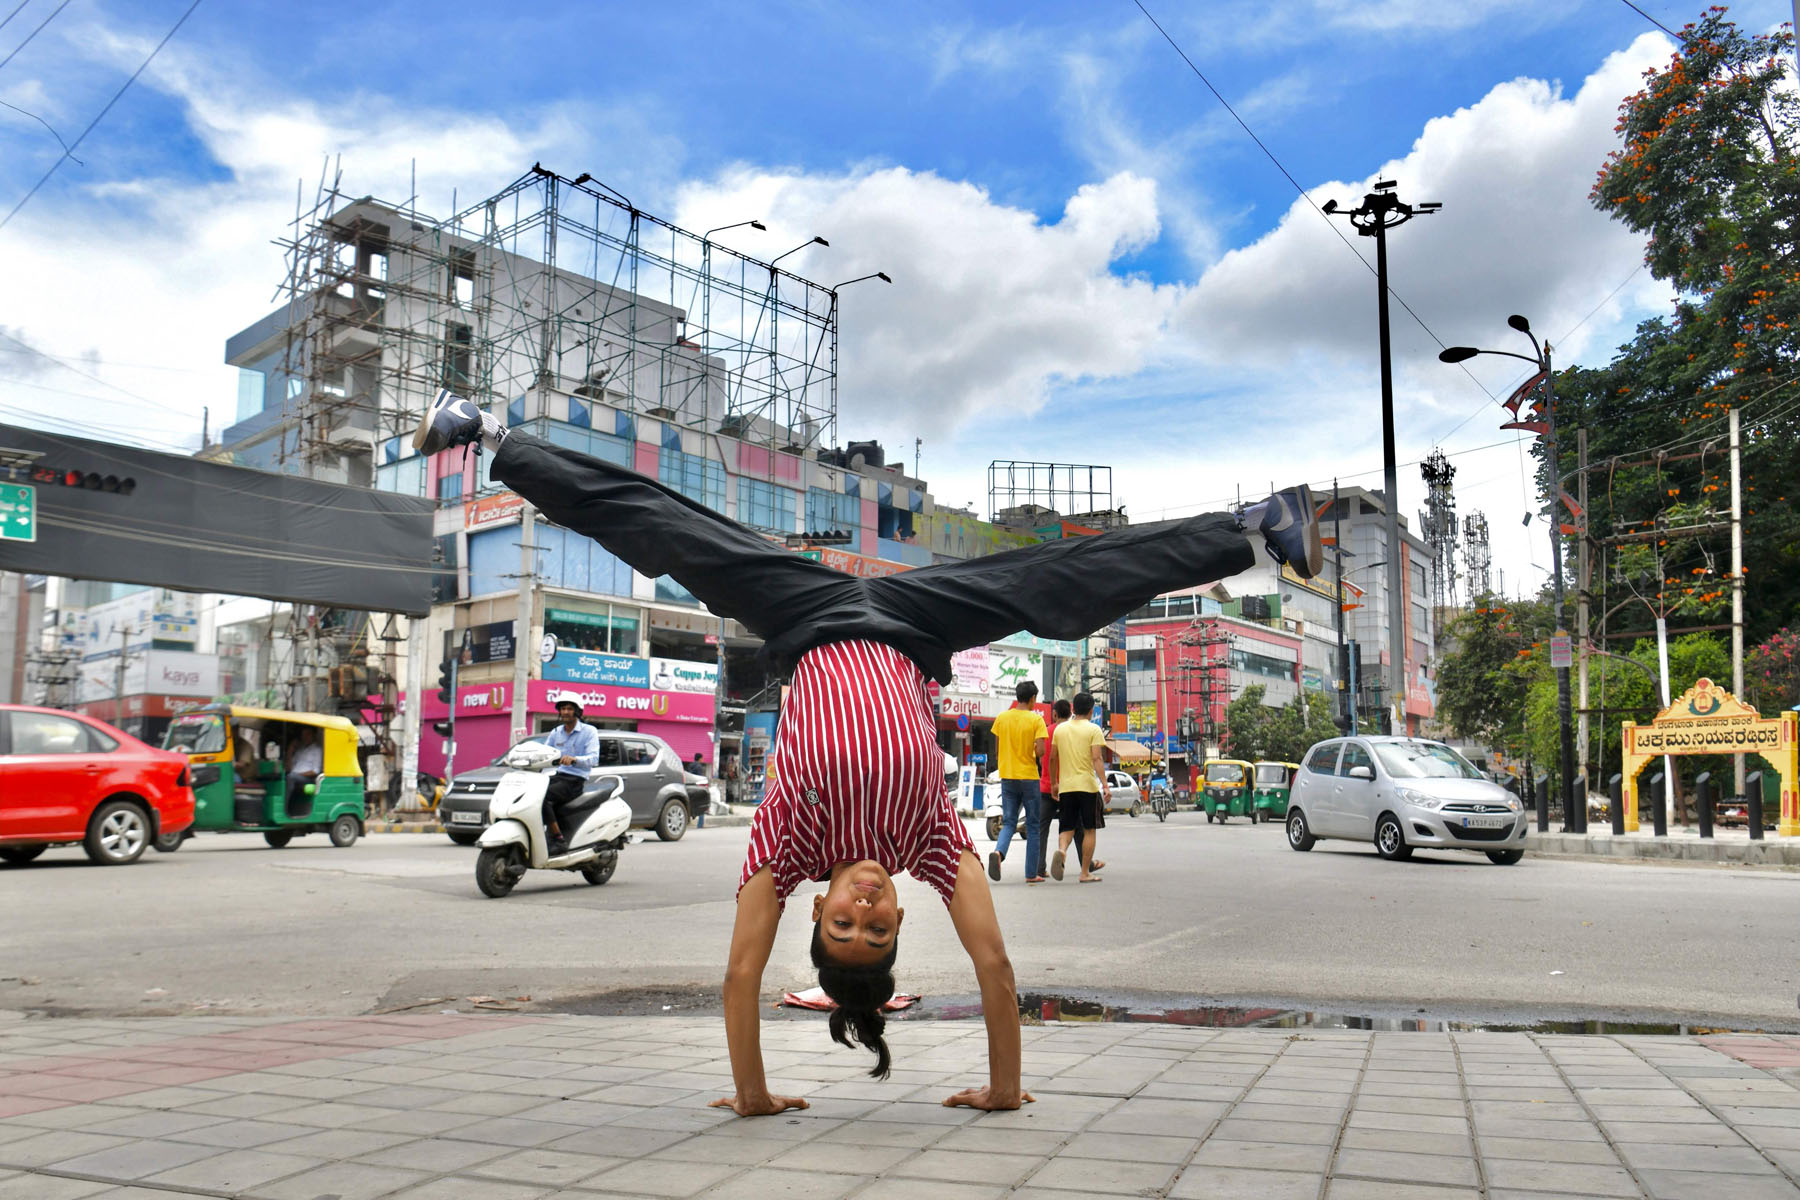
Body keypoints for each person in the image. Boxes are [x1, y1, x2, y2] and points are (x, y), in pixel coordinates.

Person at [413, 389, 1322, 1108]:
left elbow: (738, 979)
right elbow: (997, 970)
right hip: (908, 625)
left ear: (813, 916)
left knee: (668, 531)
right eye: (878, 926)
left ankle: (487, 434)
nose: (863, 908)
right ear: (897, 919)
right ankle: (1253, 525)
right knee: (1057, 589)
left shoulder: (787, 848)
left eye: (843, 923)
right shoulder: (928, 843)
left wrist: (754, 1093)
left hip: (806, 615)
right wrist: (1006, 1087)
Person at [988, 681, 1048, 883]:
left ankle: (998, 853)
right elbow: (1041, 751)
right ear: (1032, 699)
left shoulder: (1002, 717)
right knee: (1032, 825)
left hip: (1008, 776)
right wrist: (1031, 749)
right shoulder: (1036, 720)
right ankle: (1031, 874)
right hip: (1029, 777)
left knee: (1009, 822)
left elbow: (997, 750)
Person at [1048, 692, 1108, 882]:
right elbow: (1097, 758)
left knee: (1067, 827)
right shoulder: (1093, 729)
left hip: (1066, 787)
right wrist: (1105, 785)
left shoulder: (1060, 730)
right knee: (1089, 829)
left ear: (1073, 708)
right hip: (1087, 787)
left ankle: (1062, 851)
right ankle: (1084, 873)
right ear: (1091, 711)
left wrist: (1053, 783)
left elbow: (1052, 758)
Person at [541, 699, 598, 853]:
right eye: (563, 709)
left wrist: (575, 759)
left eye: (569, 709)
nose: (565, 712)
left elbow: (594, 759)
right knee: (531, 793)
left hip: (575, 780)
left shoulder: (589, 731)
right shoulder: (556, 732)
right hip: (557, 776)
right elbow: (544, 753)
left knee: (543, 797)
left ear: (578, 711)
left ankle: (558, 839)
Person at [1037, 698, 1070, 872]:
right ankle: (1086, 865)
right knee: (1075, 828)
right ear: (1070, 714)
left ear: (1054, 714)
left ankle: (1039, 866)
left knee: (1041, 829)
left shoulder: (1046, 732)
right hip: (1068, 787)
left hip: (1046, 787)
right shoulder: (1071, 732)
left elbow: (1043, 758)